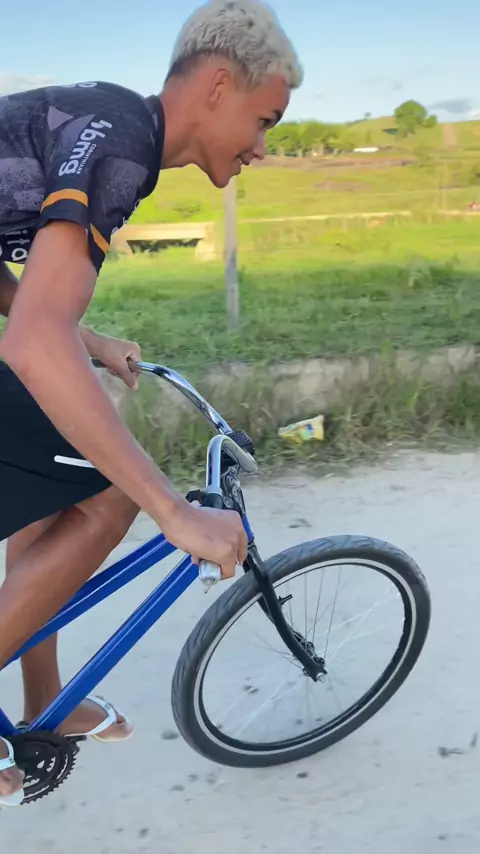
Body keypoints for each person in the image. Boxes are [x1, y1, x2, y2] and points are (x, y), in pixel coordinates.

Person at [0, 0, 303, 805]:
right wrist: (173, 510)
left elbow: (31, 311)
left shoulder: (107, 116)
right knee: (109, 495)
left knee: (58, 459)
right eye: (265, 120)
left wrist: (86, 337)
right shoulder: (124, 143)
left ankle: (45, 701)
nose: (264, 147)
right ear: (218, 86)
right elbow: (32, 344)